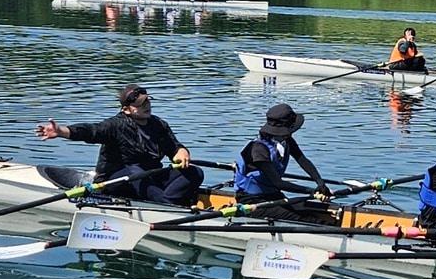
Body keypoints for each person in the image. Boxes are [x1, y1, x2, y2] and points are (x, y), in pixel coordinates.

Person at [34, 84, 204, 206]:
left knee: (194, 172)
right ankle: (167, 205)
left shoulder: (158, 125)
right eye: (140, 105)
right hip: (114, 181)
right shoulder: (115, 125)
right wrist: (62, 131)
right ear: (126, 109)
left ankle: (170, 202)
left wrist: (181, 151)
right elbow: (92, 131)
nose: (147, 106)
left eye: (147, 102)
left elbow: (173, 146)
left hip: (149, 176)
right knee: (136, 172)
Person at [232, 104, 335, 224]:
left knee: (307, 208)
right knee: (304, 219)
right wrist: (312, 191)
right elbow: (278, 183)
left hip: (274, 195)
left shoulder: (286, 141)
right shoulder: (259, 150)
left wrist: (320, 183)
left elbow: (302, 160)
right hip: (251, 200)